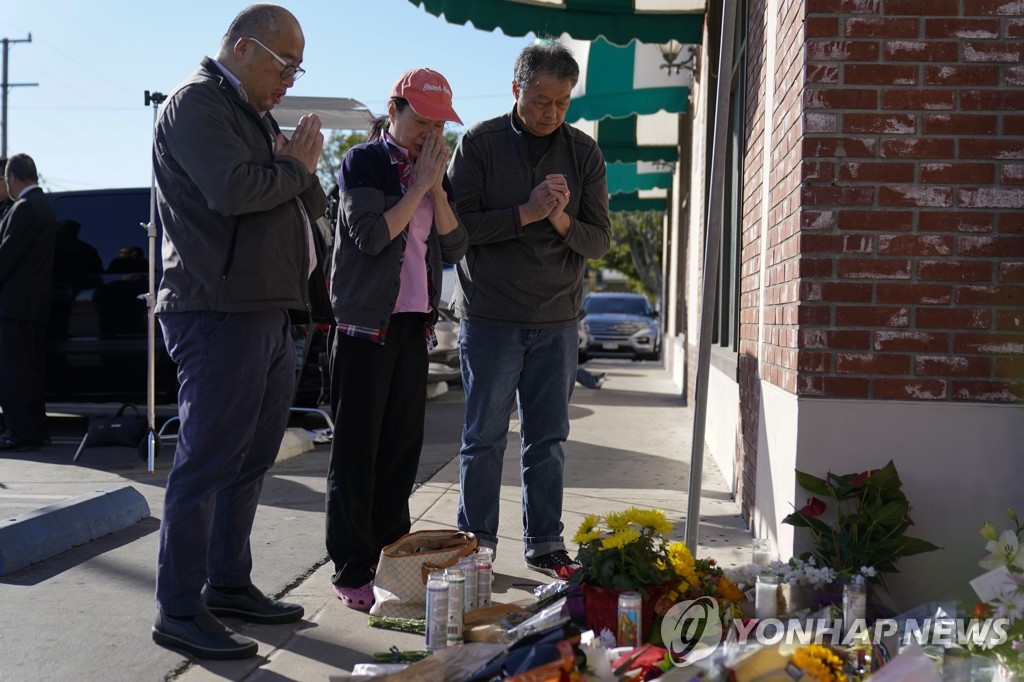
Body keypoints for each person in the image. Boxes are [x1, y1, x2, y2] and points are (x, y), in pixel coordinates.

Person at [150, 4, 326, 660]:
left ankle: (226, 584)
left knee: (250, 460)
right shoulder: (197, 104)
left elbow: (299, 197)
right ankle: (177, 609)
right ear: (244, 48)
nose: (290, 79)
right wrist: (296, 169)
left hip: (266, 308)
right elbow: (230, 189)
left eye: (296, 68)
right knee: (207, 461)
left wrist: (299, 172)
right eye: (286, 65)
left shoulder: (251, 112)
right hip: (217, 310)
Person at [448, 41, 611, 579]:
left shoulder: (585, 154)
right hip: (490, 316)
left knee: (547, 441)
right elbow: (457, 231)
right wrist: (526, 212)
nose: (551, 112)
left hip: (558, 320)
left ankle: (544, 542)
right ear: (516, 89)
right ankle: (476, 545)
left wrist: (561, 221)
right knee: (484, 440)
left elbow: (599, 242)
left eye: (563, 102)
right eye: (541, 99)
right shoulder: (478, 144)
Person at [326, 68, 468, 612]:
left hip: (413, 326)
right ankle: (350, 567)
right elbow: (369, 236)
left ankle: (392, 557)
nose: (428, 133)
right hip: (365, 327)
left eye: (438, 125)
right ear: (394, 112)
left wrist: (435, 185)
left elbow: (455, 247)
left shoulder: (433, 171)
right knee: (357, 453)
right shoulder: (363, 161)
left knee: (401, 453)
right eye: (420, 121)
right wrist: (415, 187)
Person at [0, 154, 57, 451]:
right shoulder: (43, 206)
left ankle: (19, 432)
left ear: (13, 178)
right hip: (33, 307)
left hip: (15, 307)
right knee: (31, 374)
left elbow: (6, 257)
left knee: (14, 374)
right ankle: (36, 430)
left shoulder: (24, 208)